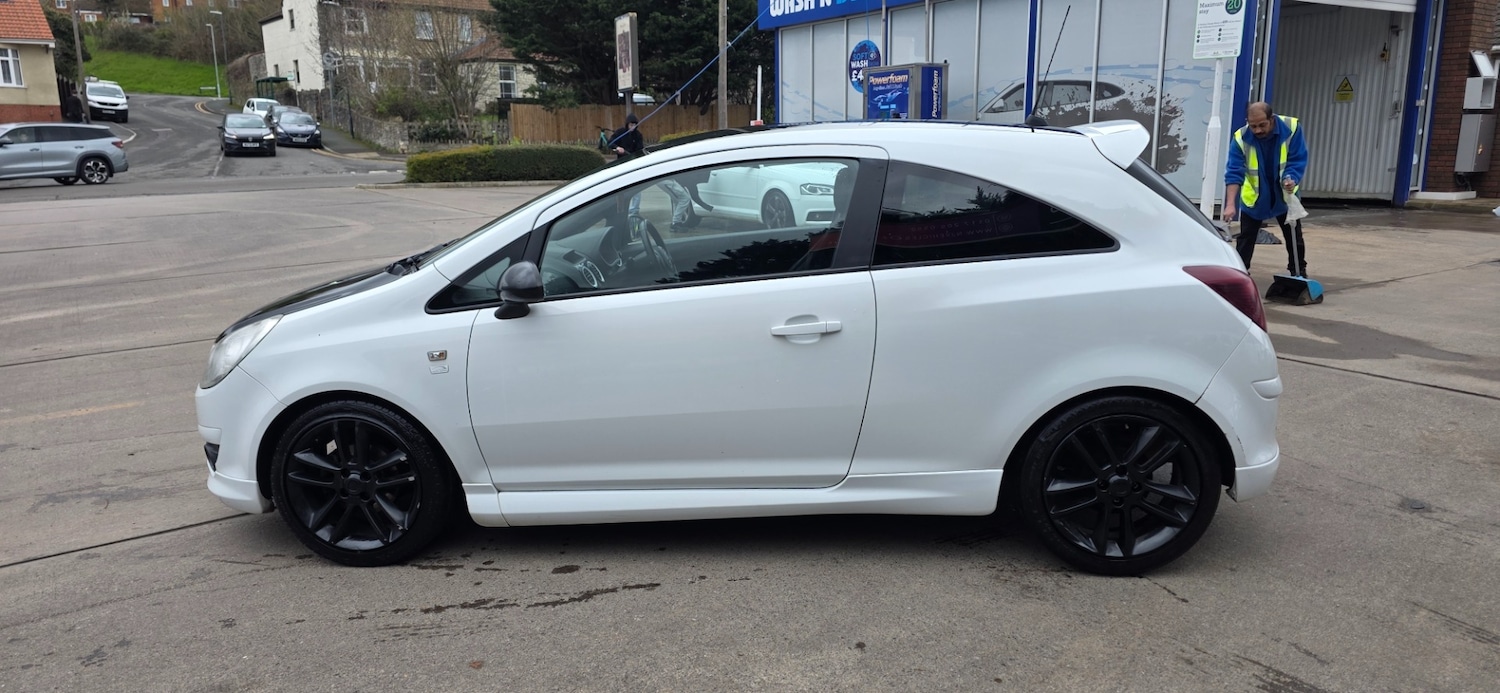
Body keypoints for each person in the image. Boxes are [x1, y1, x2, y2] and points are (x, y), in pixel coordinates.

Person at [1223, 101, 1310, 276]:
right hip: (1255, 197)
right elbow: (1234, 171)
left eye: (1262, 125)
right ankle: (1240, 274)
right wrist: (1230, 204)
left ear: (1272, 119)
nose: (1257, 131)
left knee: (1294, 237)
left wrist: (1290, 178)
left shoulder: (1291, 128)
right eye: (1253, 126)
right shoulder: (1241, 138)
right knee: (1246, 238)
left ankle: (1298, 273)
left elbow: (1297, 159)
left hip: (1285, 195)